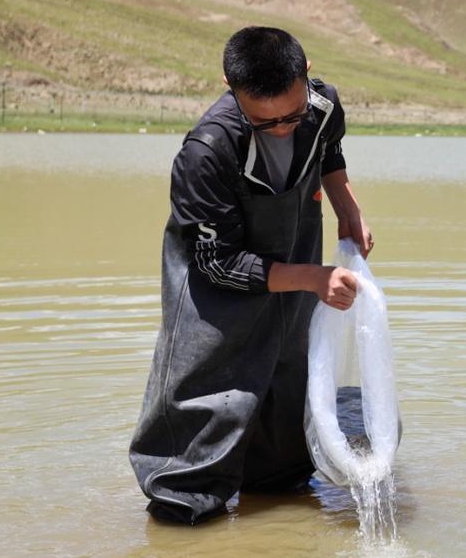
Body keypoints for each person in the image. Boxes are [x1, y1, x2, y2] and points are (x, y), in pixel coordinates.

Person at [129, 26, 374, 524]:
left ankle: (274, 490)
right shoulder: (207, 151)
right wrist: (312, 278)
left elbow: (329, 150)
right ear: (230, 86)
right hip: (214, 295)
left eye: (292, 115)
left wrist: (347, 205)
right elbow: (218, 263)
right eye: (267, 123)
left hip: (297, 268)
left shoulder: (322, 106)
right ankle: (183, 515)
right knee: (211, 392)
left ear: (306, 76)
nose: (284, 127)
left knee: (288, 380)